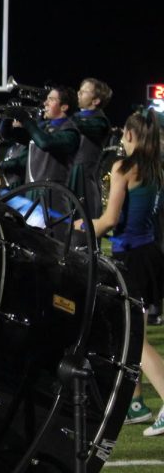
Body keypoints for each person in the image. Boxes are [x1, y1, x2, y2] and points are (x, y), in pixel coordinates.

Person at [73, 111, 164, 435]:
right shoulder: (156, 167)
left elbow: (110, 220)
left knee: (133, 340)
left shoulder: (123, 167)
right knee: (132, 331)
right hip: (150, 254)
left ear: (129, 135)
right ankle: (136, 403)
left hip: (131, 257)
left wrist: (82, 227)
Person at [0, 86, 80, 240]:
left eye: (51, 99)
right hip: (32, 192)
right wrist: (8, 115)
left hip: (52, 197)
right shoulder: (43, 128)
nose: (45, 103)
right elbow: (6, 134)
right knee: (31, 244)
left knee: (54, 244)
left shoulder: (70, 132)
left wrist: (26, 120)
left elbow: (45, 143)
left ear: (64, 107)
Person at [71, 78, 113, 221]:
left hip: (84, 178)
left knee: (83, 220)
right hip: (66, 174)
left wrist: (64, 112)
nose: (78, 93)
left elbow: (82, 126)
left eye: (84, 91)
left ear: (96, 101)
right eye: (79, 90)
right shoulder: (74, 116)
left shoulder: (101, 121)